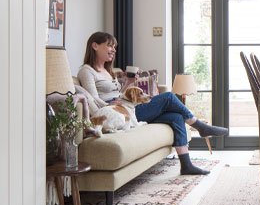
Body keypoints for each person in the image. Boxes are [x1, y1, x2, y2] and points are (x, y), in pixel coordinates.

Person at [77, 31, 227, 176]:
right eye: (110, 46)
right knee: (168, 97)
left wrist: (129, 82)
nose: (113, 50)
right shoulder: (86, 71)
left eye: (114, 47)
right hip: (117, 110)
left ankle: (186, 165)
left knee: (175, 116)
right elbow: (93, 98)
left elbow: (119, 95)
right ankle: (200, 126)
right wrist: (110, 105)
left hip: (126, 106)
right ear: (95, 46)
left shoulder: (108, 70)